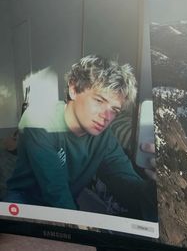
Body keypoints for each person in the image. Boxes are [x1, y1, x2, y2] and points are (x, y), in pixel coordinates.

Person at [5, 55, 157, 221]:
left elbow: (125, 182)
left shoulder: (104, 137)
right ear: (73, 89)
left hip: (67, 204)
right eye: (99, 100)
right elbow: (56, 193)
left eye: (114, 110)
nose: (106, 116)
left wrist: (155, 190)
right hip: (24, 203)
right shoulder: (39, 120)